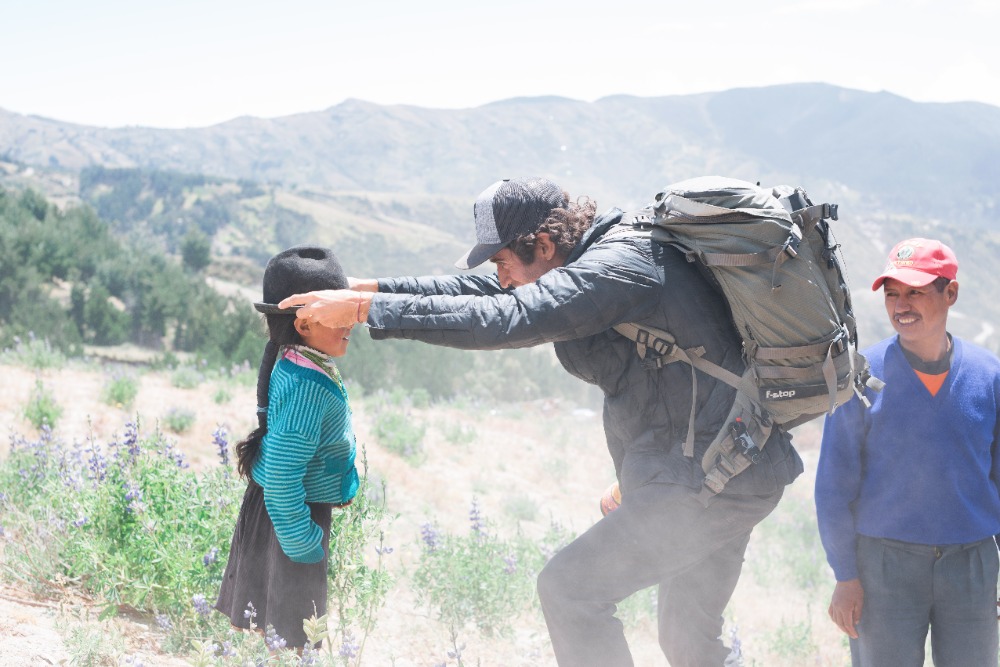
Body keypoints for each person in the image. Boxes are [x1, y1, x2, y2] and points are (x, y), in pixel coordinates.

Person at [279, 176, 804, 667]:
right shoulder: (597, 257)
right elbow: (488, 294)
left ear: (545, 245)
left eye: (503, 260)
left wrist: (364, 310)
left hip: (716, 475)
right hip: (722, 465)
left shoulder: (617, 267)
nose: (500, 275)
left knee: (571, 589)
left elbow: (509, 316)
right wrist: (366, 289)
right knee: (688, 639)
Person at [815, 237, 1000, 666]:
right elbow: (832, 489)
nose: (902, 306)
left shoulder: (989, 377)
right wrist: (846, 576)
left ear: (950, 293)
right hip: (884, 570)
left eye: (915, 292)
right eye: (892, 294)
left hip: (971, 567)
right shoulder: (860, 379)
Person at [214, 245, 360, 650]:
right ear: (305, 323)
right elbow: (281, 472)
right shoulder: (307, 386)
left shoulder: (299, 361)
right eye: (340, 314)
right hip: (290, 516)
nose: (351, 322)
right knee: (294, 636)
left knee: (279, 633)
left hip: (284, 510)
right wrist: (301, 540)